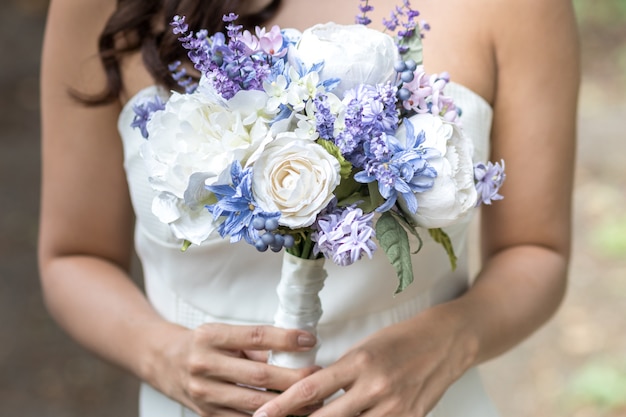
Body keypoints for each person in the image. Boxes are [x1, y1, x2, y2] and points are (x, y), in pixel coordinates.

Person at [38, 0, 579, 416]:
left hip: (426, 401)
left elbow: (536, 249)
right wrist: (160, 353)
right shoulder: (104, 8)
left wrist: (454, 339)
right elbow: (72, 254)